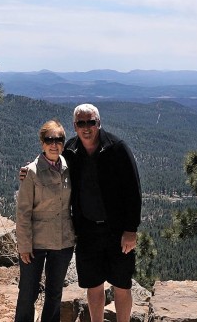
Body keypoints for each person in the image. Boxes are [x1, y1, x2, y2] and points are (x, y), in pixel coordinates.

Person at [64, 104, 142, 322]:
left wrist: (130, 230)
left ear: (99, 123)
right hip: (87, 230)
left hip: (117, 231)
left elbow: (133, 191)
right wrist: (29, 171)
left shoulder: (117, 148)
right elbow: (49, 162)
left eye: (91, 122)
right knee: (93, 285)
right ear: (75, 126)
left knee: (122, 285)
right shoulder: (70, 150)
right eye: (81, 123)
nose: (86, 127)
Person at [14, 120, 75, 322]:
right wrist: (23, 245)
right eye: (49, 139)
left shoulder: (69, 168)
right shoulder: (31, 172)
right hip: (35, 242)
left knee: (55, 293)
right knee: (27, 293)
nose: (54, 144)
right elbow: (23, 212)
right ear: (42, 143)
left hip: (63, 240)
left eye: (59, 139)